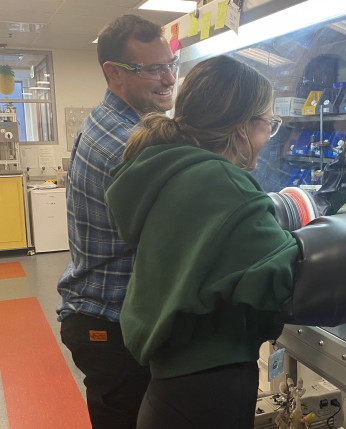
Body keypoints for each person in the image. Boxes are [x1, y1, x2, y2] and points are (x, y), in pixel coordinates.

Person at [104, 55, 346, 428]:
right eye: (268, 125)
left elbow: (230, 242)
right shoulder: (219, 182)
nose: (266, 138)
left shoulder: (174, 170)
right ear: (242, 127)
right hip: (205, 396)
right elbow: (285, 282)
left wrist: (329, 199)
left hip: (176, 391)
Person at [56, 14, 176, 429]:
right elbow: (180, 237)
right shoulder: (127, 145)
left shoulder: (116, 122)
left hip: (101, 315)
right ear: (114, 73)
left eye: (170, 63)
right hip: (108, 326)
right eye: (154, 69)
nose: (169, 79)